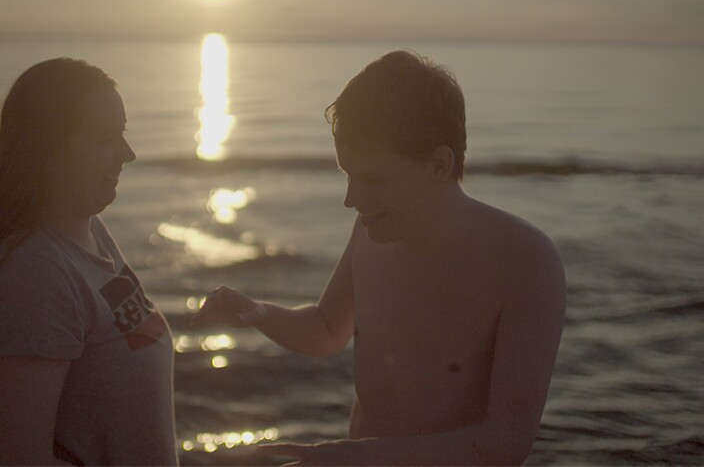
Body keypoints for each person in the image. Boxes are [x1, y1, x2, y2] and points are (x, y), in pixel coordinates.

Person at [192, 50, 566, 466]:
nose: (352, 200)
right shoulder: (374, 233)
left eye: (372, 178)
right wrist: (258, 311)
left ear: (439, 164)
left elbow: (506, 442)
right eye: (347, 175)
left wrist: (362, 457)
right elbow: (326, 328)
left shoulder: (525, 263)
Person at [0, 58, 177, 466]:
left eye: (124, 134)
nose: (128, 154)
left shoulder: (89, 229)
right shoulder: (31, 278)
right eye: (105, 138)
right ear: (46, 147)